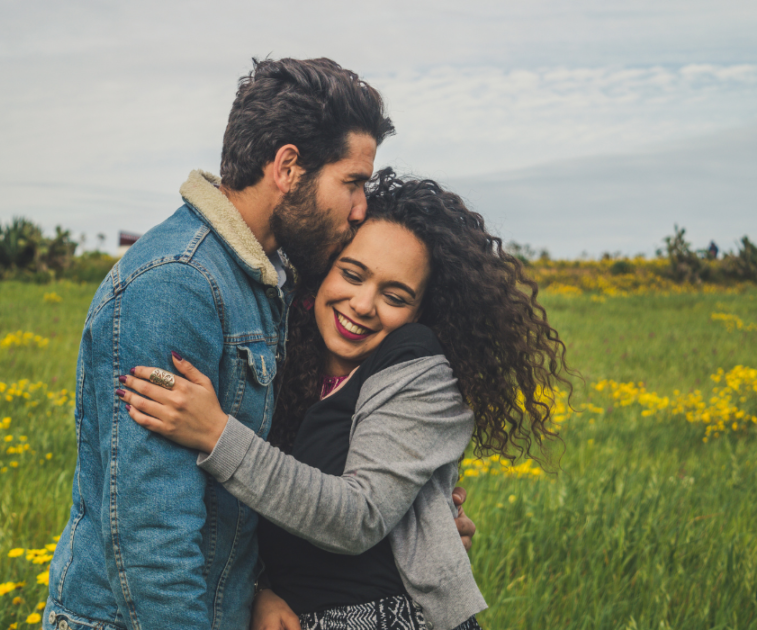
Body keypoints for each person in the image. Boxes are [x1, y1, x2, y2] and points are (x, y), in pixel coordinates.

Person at [43, 59, 475, 630]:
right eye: (352, 182)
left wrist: (258, 589)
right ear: (289, 168)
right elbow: (153, 536)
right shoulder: (179, 284)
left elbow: (237, 504)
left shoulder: (268, 279)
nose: (361, 206)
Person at [119, 170, 570, 630]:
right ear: (321, 271)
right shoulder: (280, 358)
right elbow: (249, 509)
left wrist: (215, 433)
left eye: (394, 295)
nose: (362, 304)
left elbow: (358, 517)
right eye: (352, 274)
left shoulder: (420, 368)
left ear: (421, 312)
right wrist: (258, 588)